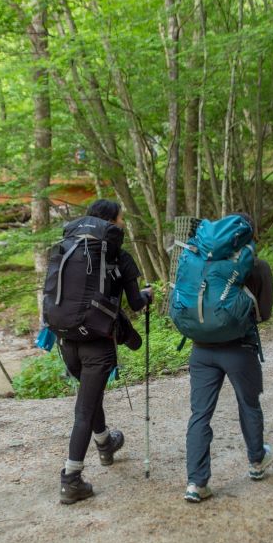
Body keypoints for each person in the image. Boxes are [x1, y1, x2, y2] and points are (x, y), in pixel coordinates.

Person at [59, 199, 152, 505]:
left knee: (89, 396)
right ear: (110, 222)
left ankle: (105, 443)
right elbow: (136, 303)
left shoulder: (67, 251)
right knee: (84, 409)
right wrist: (147, 295)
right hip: (98, 343)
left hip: (67, 340)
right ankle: (71, 480)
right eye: (120, 219)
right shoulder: (119, 256)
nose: (122, 223)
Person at [184, 212, 273, 503]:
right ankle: (257, 462)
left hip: (201, 349)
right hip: (239, 348)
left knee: (200, 414)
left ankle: (196, 483)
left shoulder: (201, 264)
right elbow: (265, 313)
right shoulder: (256, 267)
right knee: (249, 404)